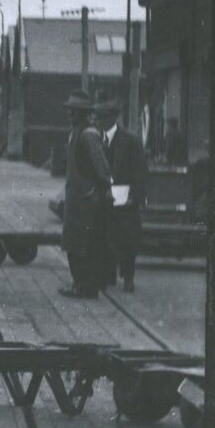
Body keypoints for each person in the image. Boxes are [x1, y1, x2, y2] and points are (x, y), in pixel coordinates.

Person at [60, 90, 113, 298]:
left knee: (86, 244)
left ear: (83, 113)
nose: (71, 114)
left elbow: (101, 166)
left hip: (87, 199)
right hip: (75, 198)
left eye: (75, 111)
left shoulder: (88, 134)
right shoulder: (74, 132)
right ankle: (79, 283)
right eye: (70, 110)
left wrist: (105, 188)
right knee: (73, 243)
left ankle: (87, 286)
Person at [97, 97, 146, 293]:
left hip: (126, 199)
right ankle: (109, 275)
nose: (100, 121)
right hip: (105, 197)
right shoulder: (96, 139)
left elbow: (140, 170)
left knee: (128, 239)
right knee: (107, 237)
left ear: (113, 118)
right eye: (98, 117)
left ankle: (128, 278)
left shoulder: (130, 140)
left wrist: (136, 195)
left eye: (103, 117)